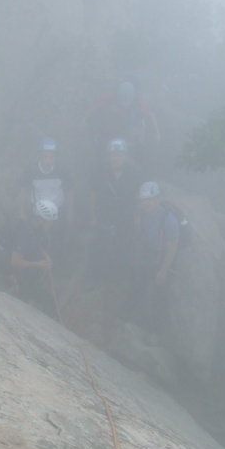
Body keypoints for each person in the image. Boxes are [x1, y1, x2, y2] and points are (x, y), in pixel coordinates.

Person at [88, 138, 139, 288]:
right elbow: (92, 194)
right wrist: (93, 217)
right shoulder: (100, 171)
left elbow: (137, 196)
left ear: (125, 156)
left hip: (125, 217)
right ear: (108, 156)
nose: (116, 158)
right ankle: (96, 277)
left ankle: (117, 277)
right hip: (104, 215)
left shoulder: (133, 172)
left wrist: (137, 216)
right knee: (100, 245)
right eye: (113, 155)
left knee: (121, 246)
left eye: (120, 155)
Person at [86, 78, 161, 174]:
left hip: (127, 130)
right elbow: (93, 107)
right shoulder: (108, 97)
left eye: (127, 103)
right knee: (103, 152)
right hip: (110, 129)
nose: (124, 106)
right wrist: (85, 123)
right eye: (121, 103)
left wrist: (157, 134)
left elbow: (150, 114)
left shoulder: (138, 100)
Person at [135, 181, 178, 331]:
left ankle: (156, 330)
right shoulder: (144, 214)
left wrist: (163, 271)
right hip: (152, 256)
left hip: (165, 260)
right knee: (138, 284)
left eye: (149, 199)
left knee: (159, 296)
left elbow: (173, 247)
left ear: (158, 199)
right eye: (143, 200)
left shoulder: (169, 219)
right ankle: (132, 318)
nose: (146, 203)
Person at [18, 138, 74, 250]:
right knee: (37, 242)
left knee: (59, 241)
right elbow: (24, 191)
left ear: (55, 157)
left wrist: (70, 213)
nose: (48, 161)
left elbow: (69, 191)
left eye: (51, 157)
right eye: (44, 156)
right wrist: (22, 213)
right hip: (38, 213)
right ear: (39, 156)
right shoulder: (31, 170)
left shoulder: (63, 169)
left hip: (58, 211)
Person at [9, 199, 59, 316]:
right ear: (41, 220)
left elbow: (37, 244)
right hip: (20, 278)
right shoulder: (24, 232)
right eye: (49, 221)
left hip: (28, 274)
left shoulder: (34, 228)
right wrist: (39, 265)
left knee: (47, 298)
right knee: (48, 301)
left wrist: (46, 257)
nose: (51, 224)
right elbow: (15, 262)